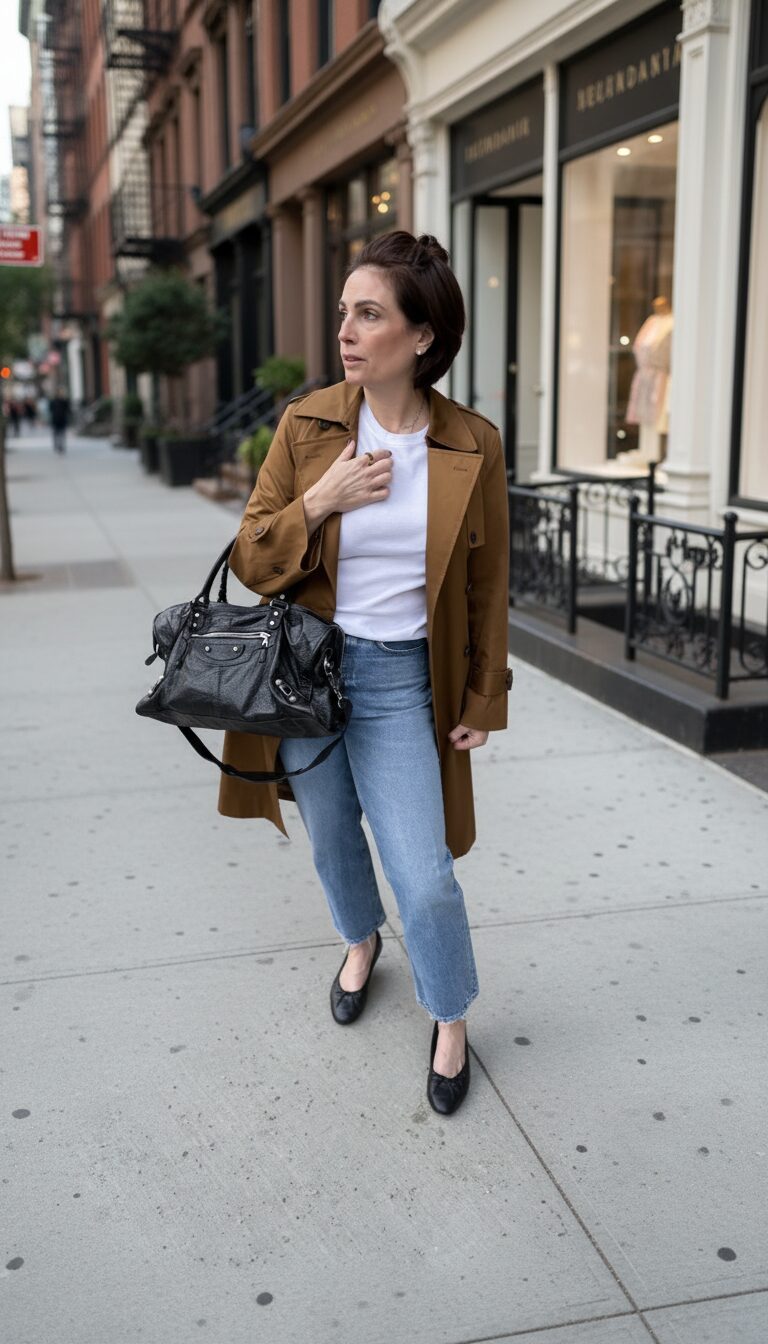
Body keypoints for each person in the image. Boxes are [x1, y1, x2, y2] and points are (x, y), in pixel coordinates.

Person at [218, 231, 512, 1115]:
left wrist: (480, 700)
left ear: (421, 336)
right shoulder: (307, 425)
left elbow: (491, 583)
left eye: (369, 313)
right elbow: (249, 555)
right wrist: (320, 502)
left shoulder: (473, 443)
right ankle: (358, 940)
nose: (346, 329)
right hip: (307, 675)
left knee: (423, 872)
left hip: (401, 684)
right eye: (345, 312)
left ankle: (449, 1015)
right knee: (332, 838)